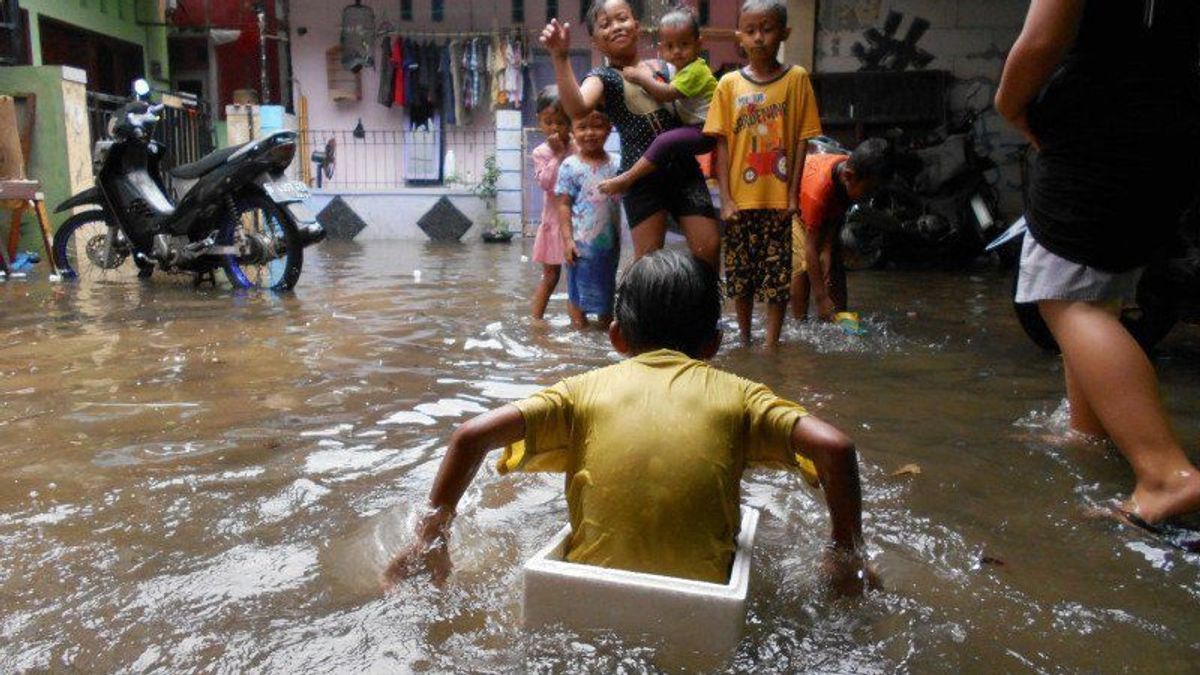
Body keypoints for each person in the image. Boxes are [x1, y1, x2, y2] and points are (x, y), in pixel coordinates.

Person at [382, 249, 870, 594]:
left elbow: (470, 436)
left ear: (616, 337)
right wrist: (845, 553)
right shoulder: (740, 396)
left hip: (587, 591)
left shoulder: (582, 389)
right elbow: (837, 448)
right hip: (705, 597)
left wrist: (431, 540)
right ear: (712, 346)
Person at [995, 0, 1200, 525]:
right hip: (1174, 122)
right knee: (1096, 291)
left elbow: (1042, 40)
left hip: (1099, 123)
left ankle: (1165, 475)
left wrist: (1008, 103)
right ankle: (1087, 431)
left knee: (1063, 297)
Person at [539, 1, 721, 270]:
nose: (615, 27)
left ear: (636, 26)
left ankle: (704, 312)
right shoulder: (603, 77)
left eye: (621, 19)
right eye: (605, 24)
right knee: (648, 263)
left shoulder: (667, 65)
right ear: (596, 42)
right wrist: (560, 57)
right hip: (641, 179)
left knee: (710, 248)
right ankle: (638, 312)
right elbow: (577, 107)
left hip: (684, 171)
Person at [703, 0, 823, 347]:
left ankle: (771, 344)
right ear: (739, 36)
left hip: (778, 199)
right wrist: (724, 198)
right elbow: (721, 145)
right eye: (751, 30)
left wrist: (792, 195)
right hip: (739, 201)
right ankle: (743, 339)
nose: (759, 38)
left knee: (777, 275)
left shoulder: (796, 79)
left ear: (784, 33)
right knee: (740, 276)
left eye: (767, 29)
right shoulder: (727, 84)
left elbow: (802, 140)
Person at [596, 6, 718, 197]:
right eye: (670, 46)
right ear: (661, 49)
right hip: (695, 128)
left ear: (698, 44)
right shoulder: (676, 68)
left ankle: (627, 178)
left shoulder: (696, 70)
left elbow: (667, 94)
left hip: (704, 130)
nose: (677, 51)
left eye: (684, 44)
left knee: (663, 141)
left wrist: (640, 77)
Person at [792, 138, 893, 322]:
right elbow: (811, 248)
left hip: (827, 202)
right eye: (869, 191)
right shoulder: (818, 194)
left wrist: (829, 260)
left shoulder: (850, 178)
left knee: (834, 260)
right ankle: (800, 325)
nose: (870, 197)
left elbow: (830, 239)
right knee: (802, 265)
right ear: (848, 176)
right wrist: (821, 297)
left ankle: (837, 318)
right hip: (797, 205)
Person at [555, 110, 622, 329]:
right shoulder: (569, 166)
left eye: (597, 126)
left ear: (609, 129)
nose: (590, 133)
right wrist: (567, 241)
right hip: (580, 243)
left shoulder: (618, 165)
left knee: (607, 288)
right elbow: (563, 204)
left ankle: (605, 330)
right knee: (577, 291)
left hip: (609, 244)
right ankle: (579, 332)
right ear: (573, 131)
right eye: (582, 127)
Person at [529, 86, 575, 320]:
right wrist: (558, 156)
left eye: (561, 122)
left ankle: (577, 324)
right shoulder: (541, 152)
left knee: (576, 278)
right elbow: (547, 183)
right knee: (551, 277)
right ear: (540, 122)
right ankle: (535, 322)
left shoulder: (578, 146)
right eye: (549, 122)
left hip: (577, 223)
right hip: (553, 224)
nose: (555, 128)